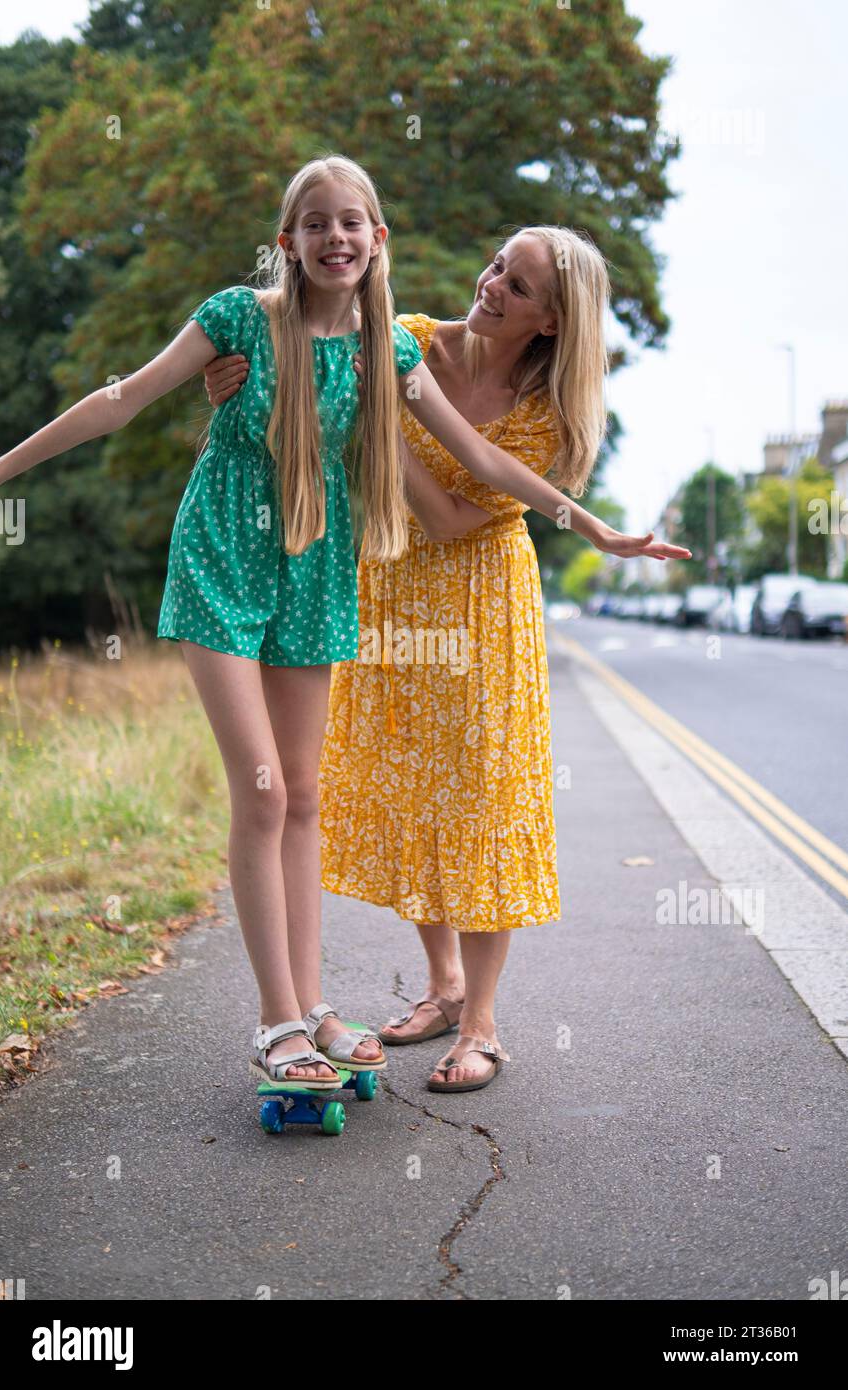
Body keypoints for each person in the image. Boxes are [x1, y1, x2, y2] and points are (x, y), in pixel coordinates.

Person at [202, 216, 693, 1093]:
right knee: (408, 783)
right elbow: (300, 359)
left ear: (548, 320)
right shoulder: (412, 338)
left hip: (479, 601)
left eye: (518, 285)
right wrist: (232, 379)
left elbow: (455, 516)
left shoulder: (550, 420)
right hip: (388, 582)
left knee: (479, 798)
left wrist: (371, 425)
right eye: (498, 263)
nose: (491, 284)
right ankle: (440, 985)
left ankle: (482, 1023)